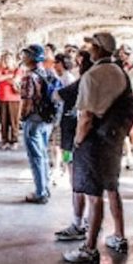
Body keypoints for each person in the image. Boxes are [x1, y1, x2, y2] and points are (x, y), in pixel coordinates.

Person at [63, 32, 129, 264]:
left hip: (93, 141)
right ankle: (119, 235)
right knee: (112, 188)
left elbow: (87, 116)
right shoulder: (120, 72)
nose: (88, 48)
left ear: (99, 49)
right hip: (113, 139)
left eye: (91, 45)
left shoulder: (92, 76)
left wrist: (78, 141)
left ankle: (90, 247)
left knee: (93, 196)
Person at [54, 50, 94, 242]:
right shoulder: (100, 83)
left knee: (77, 182)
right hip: (93, 141)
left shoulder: (83, 83)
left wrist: (77, 140)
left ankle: (79, 224)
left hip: (74, 140)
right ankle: (91, 221)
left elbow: (57, 96)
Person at [20, 44, 56, 204]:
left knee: (35, 156)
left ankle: (40, 192)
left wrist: (23, 117)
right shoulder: (47, 73)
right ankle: (45, 188)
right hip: (46, 119)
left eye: (25, 55)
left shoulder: (29, 77)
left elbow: (27, 100)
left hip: (34, 119)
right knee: (43, 154)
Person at [50, 53, 76, 183]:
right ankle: (57, 167)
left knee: (64, 147)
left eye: (56, 63)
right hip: (58, 117)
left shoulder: (68, 79)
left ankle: (65, 170)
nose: (54, 65)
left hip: (65, 117)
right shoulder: (60, 77)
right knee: (56, 145)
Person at [0, 52, 22, 150]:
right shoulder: (0, 69)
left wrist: (6, 78)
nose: (7, 61)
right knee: (3, 121)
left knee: (14, 121)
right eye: (5, 59)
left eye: (9, 59)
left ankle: (14, 140)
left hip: (14, 98)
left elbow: (16, 80)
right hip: (2, 97)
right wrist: (9, 77)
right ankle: (5, 140)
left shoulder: (17, 70)